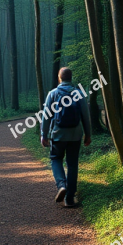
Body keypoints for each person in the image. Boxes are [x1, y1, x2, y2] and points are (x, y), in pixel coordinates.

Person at [40, 67, 91, 207]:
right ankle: (70, 198)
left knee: (56, 159)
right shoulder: (79, 93)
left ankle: (61, 185)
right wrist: (88, 134)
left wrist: (44, 134)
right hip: (75, 135)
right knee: (72, 164)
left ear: (59, 78)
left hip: (58, 134)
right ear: (71, 78)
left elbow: (46, 117)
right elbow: (85, 116)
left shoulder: (53, 94)